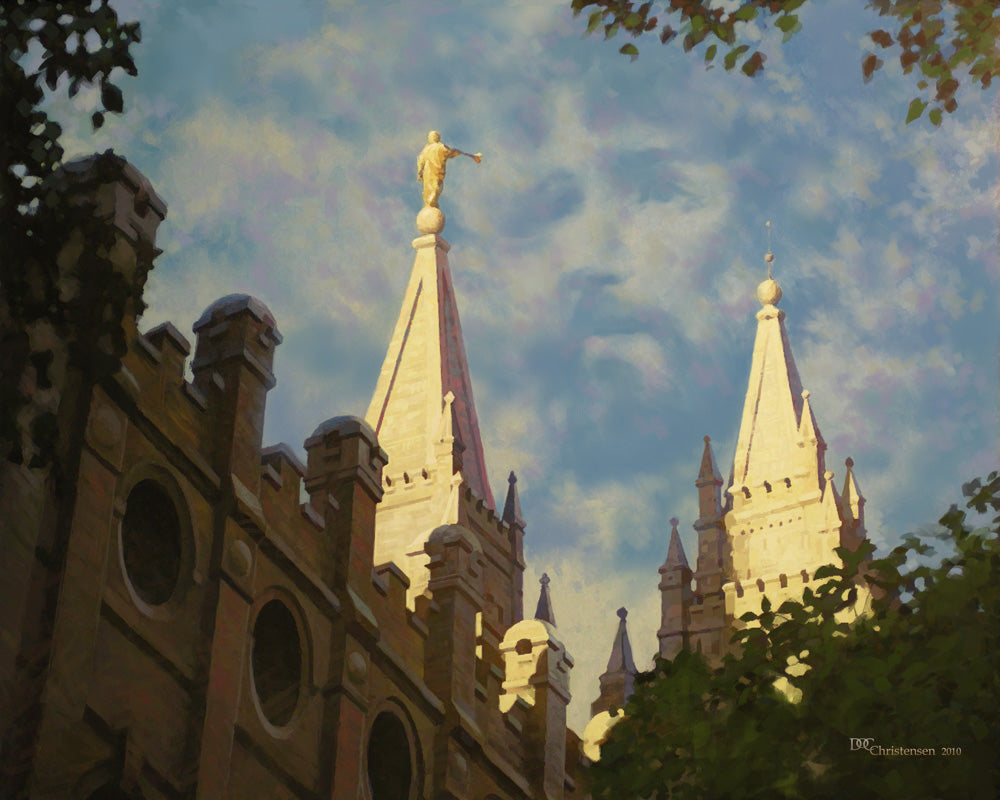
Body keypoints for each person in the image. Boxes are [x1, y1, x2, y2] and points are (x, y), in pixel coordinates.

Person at [417, 131, 479, 208]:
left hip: (429, 172)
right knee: (435, 187)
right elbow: (450, 152)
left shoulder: (427, 149)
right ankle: (432, 201)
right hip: (436, 172)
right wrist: (459, 152)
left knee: (429, 189)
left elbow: (420, 161)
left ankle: (431, 202)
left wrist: (420, 172)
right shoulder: (440, 147)